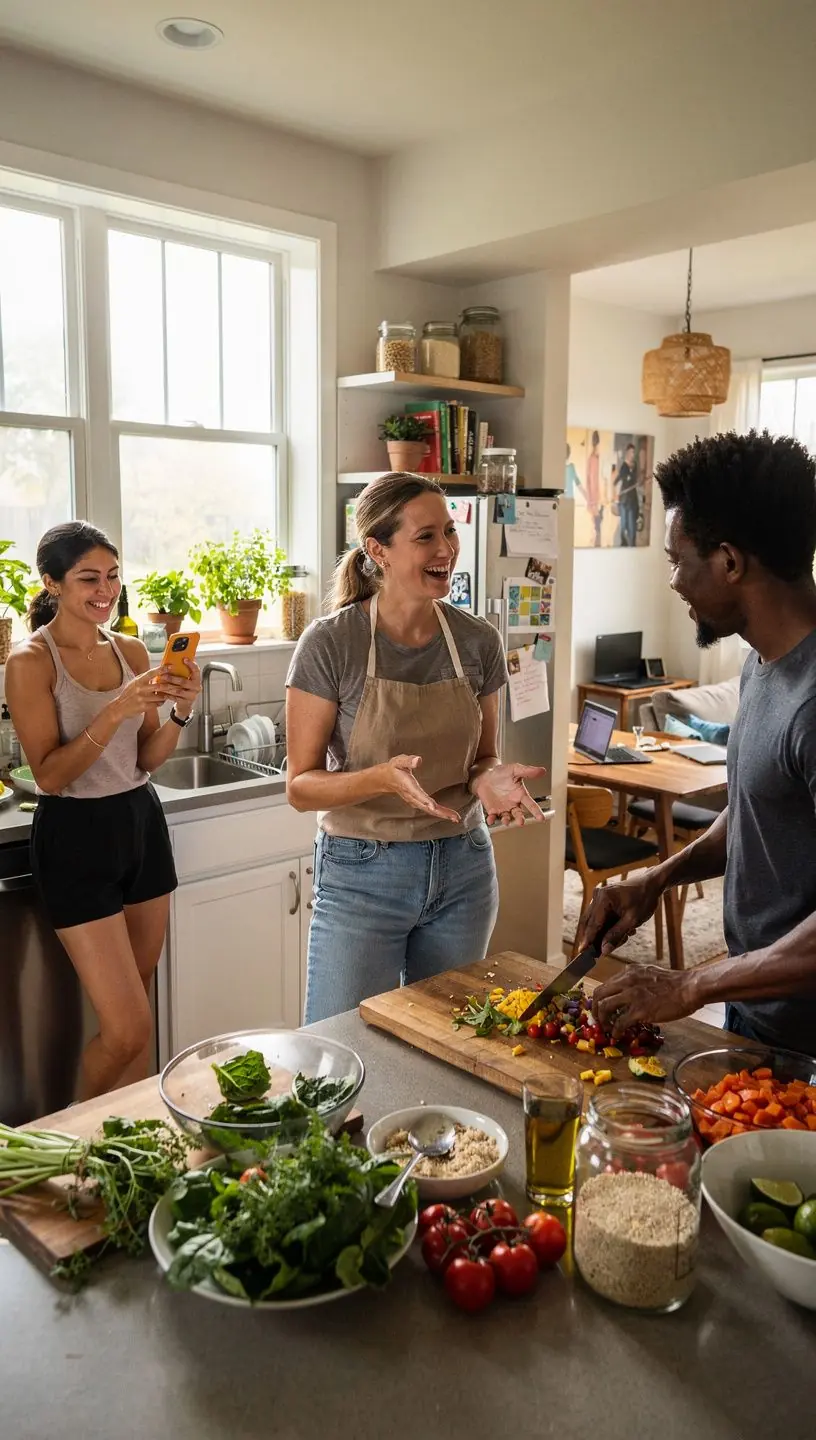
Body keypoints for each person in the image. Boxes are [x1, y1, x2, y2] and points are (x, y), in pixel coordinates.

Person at [582, 431, 816, 1056]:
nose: (674, 581)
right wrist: (657, 877)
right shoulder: (761, 665)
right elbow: (756, 816)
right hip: (760, 1017)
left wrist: (691, 984)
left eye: (677, 559)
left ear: (731, 562)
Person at [286, 472, 547, 1022]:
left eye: (449, 532)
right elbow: (301, 786)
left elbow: (483, 756)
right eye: (426, 536)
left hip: (464, 865)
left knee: (447, 1042)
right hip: (363, 873)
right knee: (340, 1048)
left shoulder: (478, 641)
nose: (447, 549)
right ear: (377, 550)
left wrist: (489, 778)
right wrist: (380, 779)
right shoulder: (332, 644)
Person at [5, 522, 201, 1097]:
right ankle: (74, 1147)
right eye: (88, 578)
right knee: (126, 1027)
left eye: (113, 576)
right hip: (74, 835)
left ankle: (128, 1152)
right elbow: (48, 774)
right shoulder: (31, 662)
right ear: (53, 584)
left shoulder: (132, 650)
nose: (105, 590)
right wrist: (113, 710)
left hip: (139, 824)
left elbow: (145, 758)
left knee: (138, 1010)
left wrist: (181, 715)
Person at [614, 441, 640, 547]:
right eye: (630, 452)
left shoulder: (635, 466)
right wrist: (616, 492)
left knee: (632, 527)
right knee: (623, 525)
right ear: (627, 453)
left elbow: (635, 479)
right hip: (624, 500)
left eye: (633, 452)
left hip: (632, 501)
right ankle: (623, 545)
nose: (632, 454)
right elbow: (618, 480)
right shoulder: (624, 466)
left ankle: (632, 546)